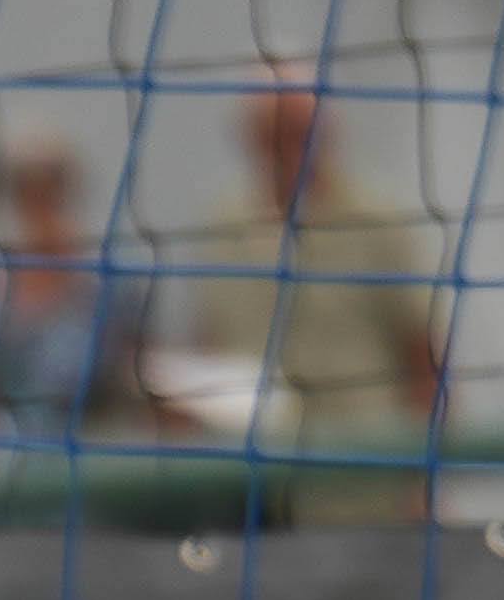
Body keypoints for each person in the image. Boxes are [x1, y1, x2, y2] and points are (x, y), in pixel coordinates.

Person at [174, 66, 444, 438]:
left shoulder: (380, 223)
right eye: (274, 137)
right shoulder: (222, 230)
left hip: (365, 456)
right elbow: (209, 348)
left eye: (300, 134)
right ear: (250, 140)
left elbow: (424, 359)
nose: (290, 152)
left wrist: (426, 461)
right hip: (255, 459)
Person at [0, 144, 161, 442]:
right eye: (26, 190)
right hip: (6, 448)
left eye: (50, 188)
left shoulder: (114, 282)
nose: (40, 203)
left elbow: (145, 373)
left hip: (99, 442)